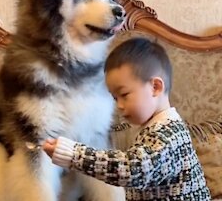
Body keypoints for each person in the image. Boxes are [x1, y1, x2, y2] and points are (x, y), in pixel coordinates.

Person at [43, 37, 211, 200]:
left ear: (155, 87)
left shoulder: (168, 133)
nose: (119, 105)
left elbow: (132, 171)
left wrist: (72, 153)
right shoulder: (157, 127)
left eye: (124, 95)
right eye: (115, 98)